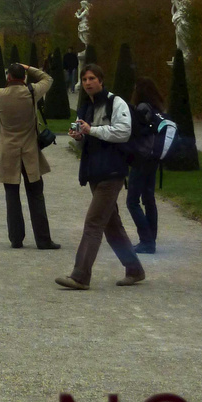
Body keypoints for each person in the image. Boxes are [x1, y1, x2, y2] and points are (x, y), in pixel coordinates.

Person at [56, 64, 144, 290]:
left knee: (93, 222)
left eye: (92, 78)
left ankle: (80, 276)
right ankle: (134, 269)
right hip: (94, 172)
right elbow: (88, 136)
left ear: (101, 80)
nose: (87, 82)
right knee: (111, 225)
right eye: (84, 79)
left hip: (112, 172)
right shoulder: (86, 106)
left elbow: (123, 132)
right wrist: (79, 136)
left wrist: (91, 130)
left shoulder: (117, 103)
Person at [0, 63, 60, 250]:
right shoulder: (32, 91)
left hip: (8, 151)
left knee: (12, 197)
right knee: (36, 195)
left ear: (9, 77)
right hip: (29, 151)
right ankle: (43, 239)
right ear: (24, 77)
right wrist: (29, 67)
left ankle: (16, 238)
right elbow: (48, 79)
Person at [126, 77, 165, 254]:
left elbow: (136, 132)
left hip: (141, 157)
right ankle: (151, 239)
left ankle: (146, 240)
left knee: (132, 201)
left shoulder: (142, 108)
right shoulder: (158, 108)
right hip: (153, 157)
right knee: (149, 198)